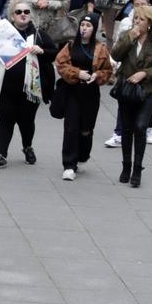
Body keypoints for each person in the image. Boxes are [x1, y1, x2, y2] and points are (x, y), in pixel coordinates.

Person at [111, 3, 152, 188]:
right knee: (127, 128)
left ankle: (138, 168)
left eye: (141, 19)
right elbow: (116, 54)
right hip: (127, 91)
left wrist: (144, 73)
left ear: (149, 23)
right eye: (135, 18)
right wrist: (129, 38)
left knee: (140, 127)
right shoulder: (127, 36)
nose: (137, 22)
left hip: (146, 92)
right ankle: (126, 166)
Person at [53, 13, 113, 179]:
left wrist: (97, 76)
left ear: (94, 29)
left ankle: (82, 155)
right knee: (71, 127)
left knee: (86, 129)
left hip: (91, 93)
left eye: (88, 26)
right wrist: (77, 73)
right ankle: (69, 165)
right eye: (82, 26)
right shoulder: (71, 46)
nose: (84, 29)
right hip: (73, 91)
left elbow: (108, 70)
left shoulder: (100, 48)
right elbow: (61, 64)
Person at [0, 0, 45, 169]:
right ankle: (1, 155)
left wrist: (41, 50)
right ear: (12, 16)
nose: (23, 15)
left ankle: (27, 146)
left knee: (27, 123)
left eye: (26, 12)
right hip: (6, 88)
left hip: (29, 90)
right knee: (5, 121)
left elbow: (53, 53)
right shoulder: (3, 34)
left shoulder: (38, 35)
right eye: (18, 12)